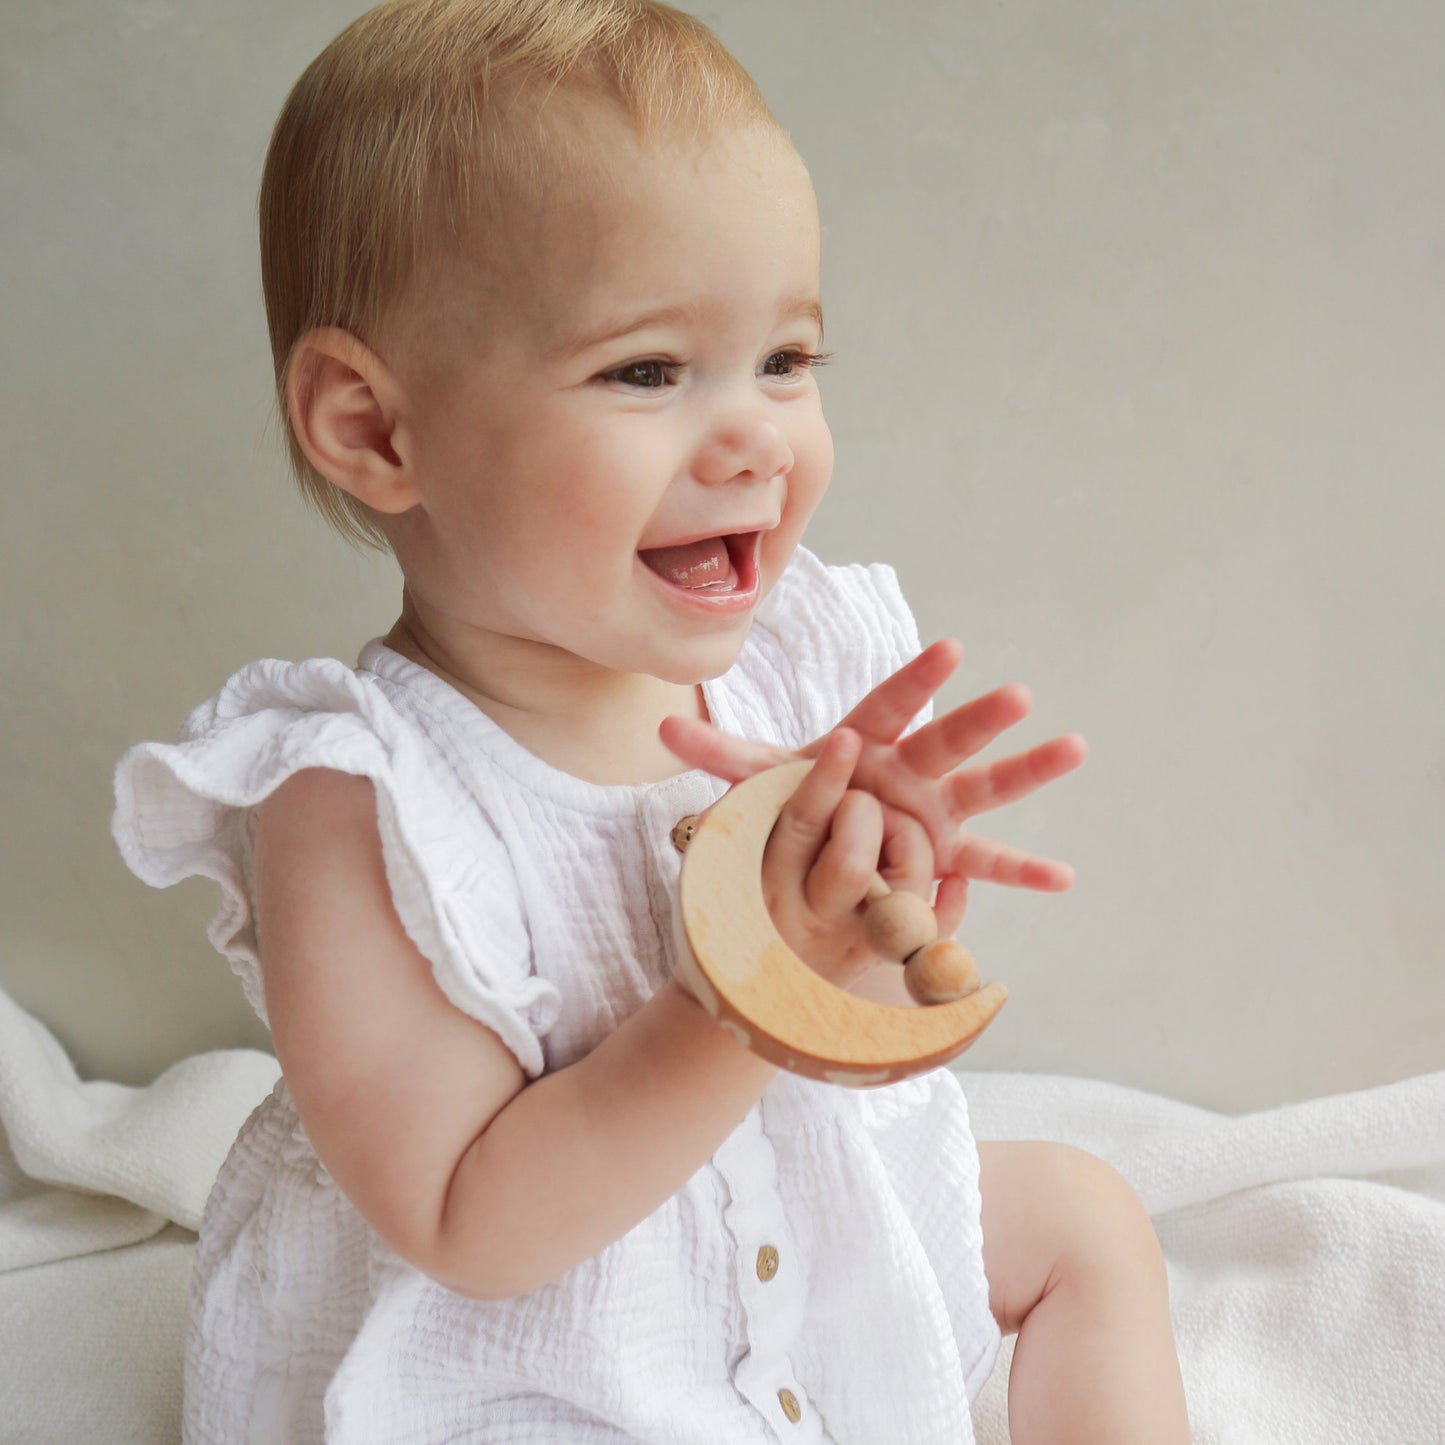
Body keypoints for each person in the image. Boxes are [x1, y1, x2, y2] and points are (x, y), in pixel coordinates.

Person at [113, 1, 1191, 1440]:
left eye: (785, 360)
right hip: (521, 1350)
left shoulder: (793, 673)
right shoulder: (355, 799)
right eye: (646, 370)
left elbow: (858, 1064)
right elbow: (466, 1221)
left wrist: (869, 908)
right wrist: (742, 988)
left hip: (774, 1227)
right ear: (378, 430)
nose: (751, 434)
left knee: (1084, 1218)